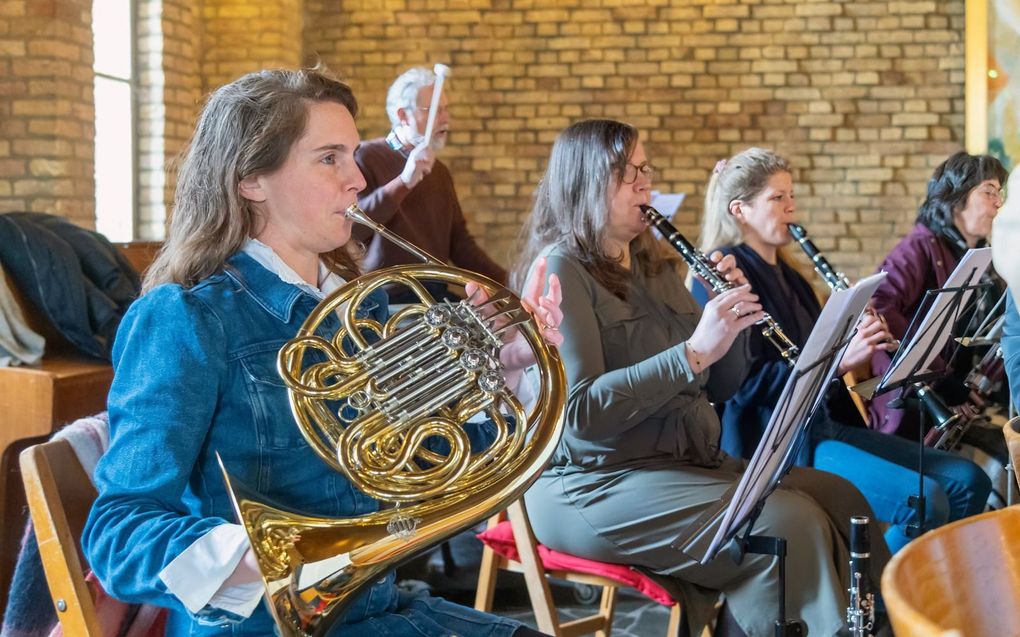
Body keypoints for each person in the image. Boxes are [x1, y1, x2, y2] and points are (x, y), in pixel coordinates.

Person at [80, 67, 561, 637]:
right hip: (263, 625)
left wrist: (503, 375)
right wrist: (261, 557)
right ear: (251, 179)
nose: (357, 179)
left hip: (378, 608)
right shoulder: (187, 317)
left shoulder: (366, 312)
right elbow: (118, 532)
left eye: (353, 156)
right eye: (329, 158)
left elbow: (430, 462)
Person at [513, 119, 891, 637]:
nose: (646, 184)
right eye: (629, 174)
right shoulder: (561, 269)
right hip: (594, 483)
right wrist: (691, 353)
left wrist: (729, 325)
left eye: (646, 169)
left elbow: (720, 387)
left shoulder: (656, 265)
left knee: (843, 499)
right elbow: (579, 418)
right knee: (786, 523)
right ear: (586, 181)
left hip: (681, 464)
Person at [693, 147, 992, 553]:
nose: (791, 207)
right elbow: (746, 388)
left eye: (792, 196)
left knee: (967, 479)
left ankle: (918, 587)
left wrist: (862, 345)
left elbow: (825, 367)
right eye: (777, 198)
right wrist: (837, 363)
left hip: (824, 424)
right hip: (778, 443)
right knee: (925, 500)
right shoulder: (724, 275)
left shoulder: (793, 277)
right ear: (740, 211)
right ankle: (884, 602)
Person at [869, 151, 1008, 439]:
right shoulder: (919, 247)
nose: (999, 202)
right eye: (989, 191)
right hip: (919, 408)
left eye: (1000, 192)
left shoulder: (980, 254)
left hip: (969, 398)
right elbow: (879, 307)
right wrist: (940, 378)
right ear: (957, 197)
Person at [354, 67, 507, 303]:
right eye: (435, 110)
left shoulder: (440, 172)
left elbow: (460, 244)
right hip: (386, 299)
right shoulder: (365, 156)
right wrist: (404, 181)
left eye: (446, 109)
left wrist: (508, 282)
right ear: (403, 115)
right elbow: (354, 229)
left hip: (434, 296)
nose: (445, 118)